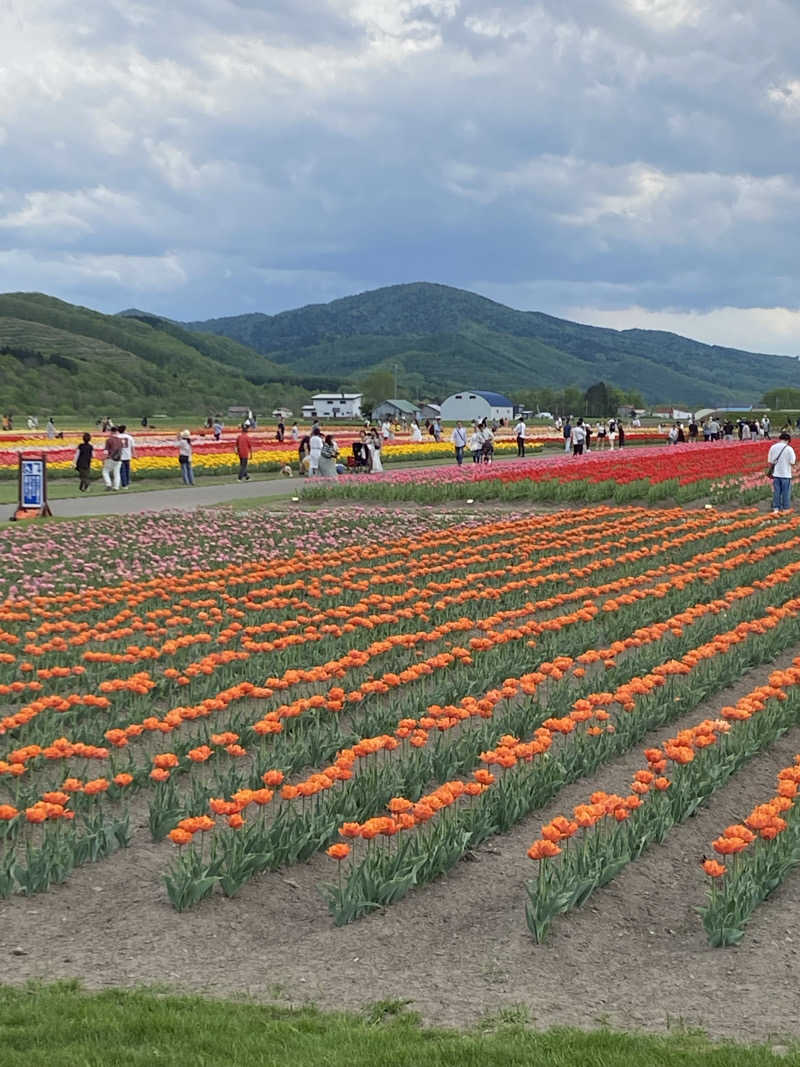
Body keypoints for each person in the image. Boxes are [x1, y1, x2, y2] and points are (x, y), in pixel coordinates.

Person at [769, 432, 796, 513]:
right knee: (786, 492)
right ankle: (785, 508)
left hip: (776, 474)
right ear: (788, 440)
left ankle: (776, 508)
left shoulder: (773, 447)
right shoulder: (789, 448)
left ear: (780, 439)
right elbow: (792, 462)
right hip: (786, 474)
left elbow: (770, 461)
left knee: (776, 492)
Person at [102, 426, 123, 490]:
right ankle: (116, 487)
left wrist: (103, 458)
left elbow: (106, 451)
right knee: (117, 473)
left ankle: (108, 484)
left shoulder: (109, 440)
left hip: (110, 458)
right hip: (118, 458)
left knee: (105, 471)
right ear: (117, 432)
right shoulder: (120, 441)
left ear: (111, 432)